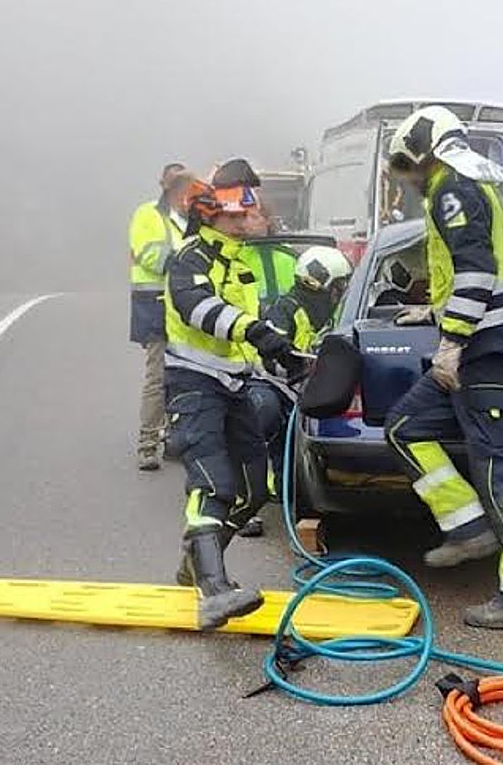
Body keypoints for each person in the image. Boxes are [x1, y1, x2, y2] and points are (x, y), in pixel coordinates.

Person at [382, 106, 503, 629]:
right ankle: (467, 526)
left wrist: (451, 340)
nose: (406, 178)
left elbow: (477, 273)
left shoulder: (453, 187)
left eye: (404, 166)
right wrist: (434, 312)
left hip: (486, 351)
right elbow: (470, 273)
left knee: (502, 474)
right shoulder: (470, 184)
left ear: (419, 151)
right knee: (405, 427)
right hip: (484, 347)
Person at [164, 178, 306, 630]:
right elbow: (198, 308)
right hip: (193, 385)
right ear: (212, 215)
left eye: (248, 213)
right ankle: (214, 591)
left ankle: (194, 563)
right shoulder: (189, 259)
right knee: (213, 485)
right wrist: (255, 330)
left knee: (253, 489)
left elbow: (246, 334)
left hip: (235, 385)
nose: (247, 220)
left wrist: (283, 356)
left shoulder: (238, 262)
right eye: (237, 214)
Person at [246, 245, 354, 501]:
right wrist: (300, 366)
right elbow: (271, 358)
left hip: (309, 389)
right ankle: (247, 490)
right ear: (324, 283)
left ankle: (290, 490)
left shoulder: (336, 313)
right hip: (273, 385)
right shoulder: (285, 310)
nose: (342, 291)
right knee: (265, 411)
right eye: (339, 285)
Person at [128, 163, 191, 471]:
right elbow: (149, 255)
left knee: (185, 374)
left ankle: (174, 437)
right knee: (158, 376)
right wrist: (187, 263)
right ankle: (148, 443)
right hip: (154, 304)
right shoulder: (148, 214)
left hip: (183, 305)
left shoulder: (190, 218)